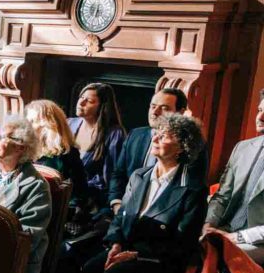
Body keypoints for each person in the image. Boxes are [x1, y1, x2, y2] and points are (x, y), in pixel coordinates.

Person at [72, 114, 207, 273]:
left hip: (159, 259)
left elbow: (183, 243)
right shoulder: (139, 175)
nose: (154, 138)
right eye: (158, 132)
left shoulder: (193, 189)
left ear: (183, 147)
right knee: (91, 269)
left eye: (165, 136)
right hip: (125, 246)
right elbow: (121, 218)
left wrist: (135, 254)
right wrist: (114, 244)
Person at [0, 117, 52, 273]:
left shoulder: (36, 186)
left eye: (2, 137)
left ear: (21, 147)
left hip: (8, 264)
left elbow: (27, 239)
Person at [109, 88, 205, 212]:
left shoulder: (191, 145)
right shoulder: (135, 135)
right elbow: (118, 174)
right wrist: (117, 204)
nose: (154, 112)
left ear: (180, 112)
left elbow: (191, 188)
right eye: (153, 106)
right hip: (123, 207)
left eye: (164, 108)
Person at [203, 92, 264, 264]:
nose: (260, 117)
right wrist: (209, 225)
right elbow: (222, 196)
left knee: (218, 256)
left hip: (256, 239)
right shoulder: (242, 148)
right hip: (224, 229)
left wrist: (236, 237)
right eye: (259, 110)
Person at [68, 82, 126, 213]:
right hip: (67, 192)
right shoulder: (69, 123)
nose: (81, 103)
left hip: (93, 198)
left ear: (102, 107)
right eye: (81, 98)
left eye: (88, 101)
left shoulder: (114, 133)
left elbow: (112, 175)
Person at [25, 99, 89, 206]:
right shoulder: (23, 149)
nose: (27, 126)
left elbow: (79, 194)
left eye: (32, 121)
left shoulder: (68, 154)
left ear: (47, 125)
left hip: (52, 208)